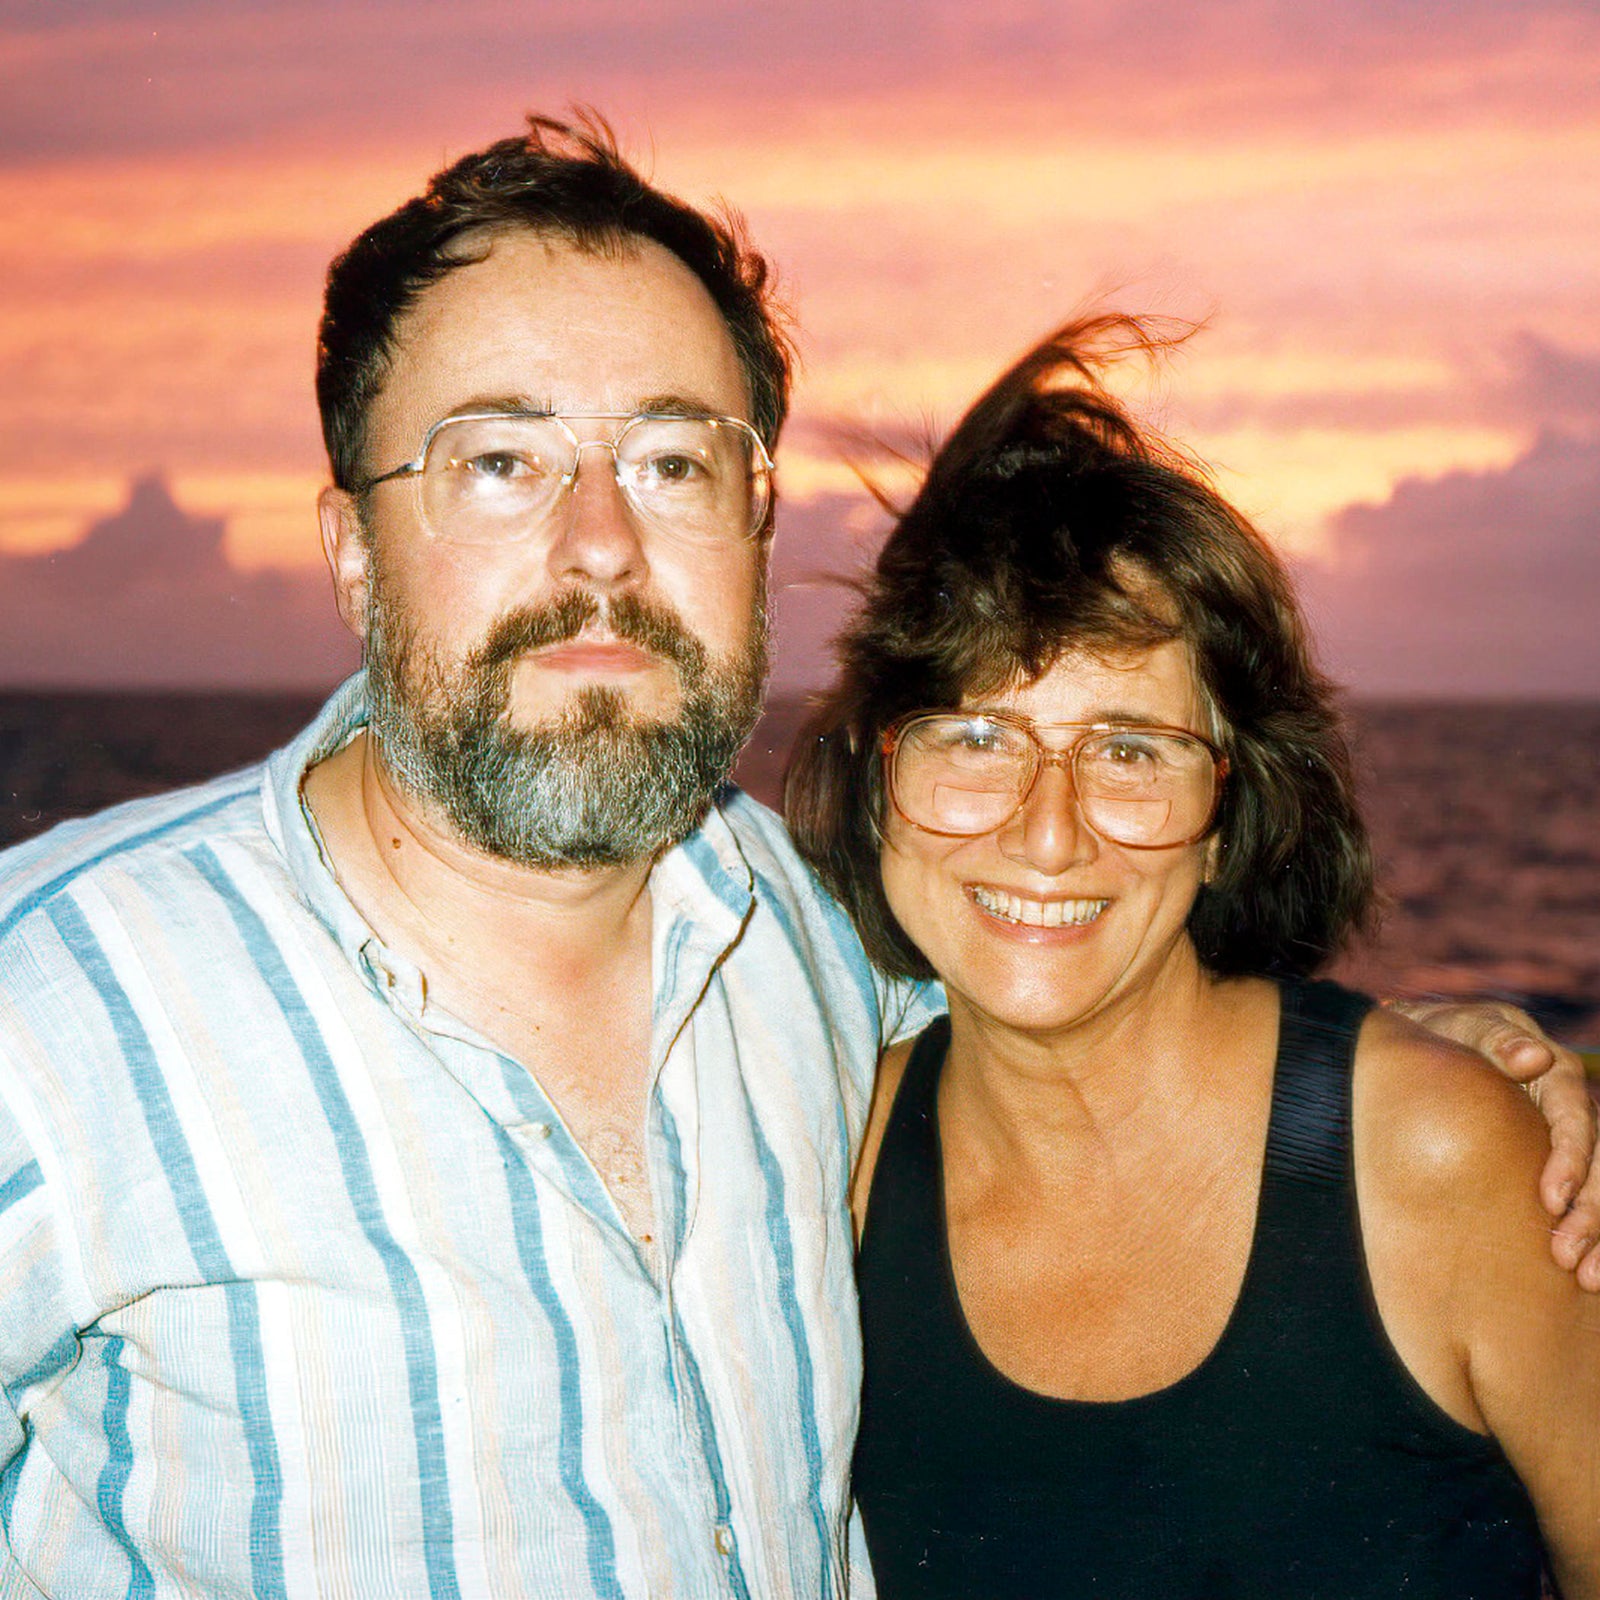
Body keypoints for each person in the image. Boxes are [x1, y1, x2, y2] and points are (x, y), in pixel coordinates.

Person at [0, 119, 1589, 1598]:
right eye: (501, 459)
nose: (602, 541)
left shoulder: (817, 959)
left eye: (677, 462)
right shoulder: (54, 1013)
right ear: (351, 543)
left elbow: (1082, 1027)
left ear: (757, 524)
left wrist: (1432, 1075)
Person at [785, 317, 1600, 1598]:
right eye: (977, 739)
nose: (1044, 835)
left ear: (1227, 821)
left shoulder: (1434, 1156)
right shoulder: (820, 1172)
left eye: (1128, 750)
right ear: (877, 781)